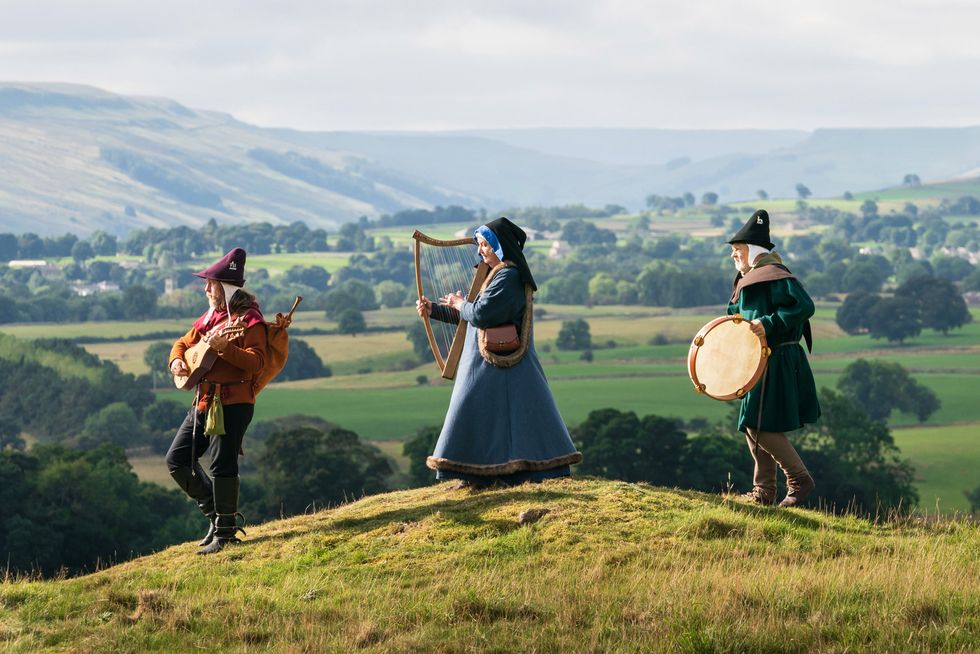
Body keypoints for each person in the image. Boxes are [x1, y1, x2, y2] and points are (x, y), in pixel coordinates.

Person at [416, 217, 582, 488]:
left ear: (500, 246)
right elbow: (472, 315)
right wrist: (435, 310)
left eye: (484, 245)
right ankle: (477, 475)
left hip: (500, 363)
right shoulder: (496, 274)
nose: (480, 250)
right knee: (479, 414)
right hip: (485, 364)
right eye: (479, 245)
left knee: (489, 413)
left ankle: (509, 473)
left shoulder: (509, 276)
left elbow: (480, 314)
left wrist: (460, 304)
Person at [165, 248, 267, 554]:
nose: (206, 288)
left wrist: (226, 349)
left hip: (234, 402)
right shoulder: (211, 317)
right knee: (177, 460)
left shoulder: (250, 319)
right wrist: (177, 362)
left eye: (211, 283)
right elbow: (182, 343)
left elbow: (256, 362)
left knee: (223, 465)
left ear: (225, 287)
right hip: (204, 400)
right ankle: (217, 516)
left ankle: (225, 534)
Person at [727, 209, 820, 507]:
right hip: (757, 360)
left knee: (756, 423)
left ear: (752, 250)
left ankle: (798, 479)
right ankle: (764, 492)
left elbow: (804, 306)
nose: (734, 256)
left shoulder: (776, 275)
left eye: (738, 250)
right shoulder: (749, 277)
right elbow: (737, 317)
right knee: (756, 424)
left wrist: (767, 324)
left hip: (777, 358)